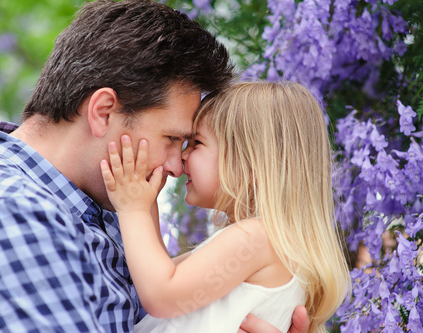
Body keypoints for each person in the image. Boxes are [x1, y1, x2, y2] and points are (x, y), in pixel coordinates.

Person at [0, 0, 309, 332]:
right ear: (103, 111)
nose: (177, 166)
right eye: (172, 139)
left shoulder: (97, 205)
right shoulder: (5, 212)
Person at [101, 81, 351, 332]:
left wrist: (132, 209)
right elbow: (157, 273)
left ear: (249, 165)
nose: (183, 156)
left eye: (197, 143)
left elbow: (161, 295)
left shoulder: (256, 238)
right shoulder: (266, 241)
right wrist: (148, 203)